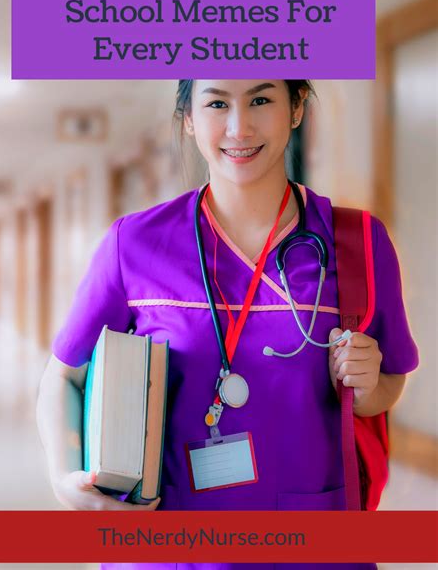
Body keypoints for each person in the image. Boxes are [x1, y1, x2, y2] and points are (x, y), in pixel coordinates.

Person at [37, 79, 419, 570]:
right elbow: (63, 372)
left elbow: (390, 383)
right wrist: (62, 476)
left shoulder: (357, 242)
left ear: (296, 108)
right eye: (217, 103)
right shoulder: (133, 244)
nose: (239, 127)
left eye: (261, 100)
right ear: (190, 118)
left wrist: (367, 386)